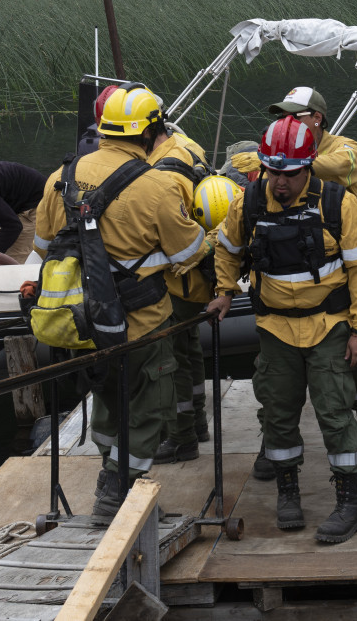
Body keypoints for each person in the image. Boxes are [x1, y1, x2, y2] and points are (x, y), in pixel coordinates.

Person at [33, 84, 209, 518]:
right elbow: (188, 254)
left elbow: (41, 245)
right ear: (150, 133)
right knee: (150, 407)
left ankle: (109, 470)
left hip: (83, 322)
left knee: (108, 400)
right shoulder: (157, 186)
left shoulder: (61, 178)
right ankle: (118, 487)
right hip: (142, 324)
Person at [207, 116, 357, 543]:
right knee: (278, 415)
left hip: (329, 326)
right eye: (272, 172)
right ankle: (288, 492)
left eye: (290, 174)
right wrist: (225, 291)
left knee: (336, 414)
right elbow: (227, 250)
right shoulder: (249, 203)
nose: (280, 183)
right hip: (275, 328)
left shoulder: (339, 204)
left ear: (309, 166)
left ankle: (349, 504)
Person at [265, 86, 357, 464]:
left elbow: (337, 167)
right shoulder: (281, 158)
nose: (285, 122)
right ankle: (274, 438)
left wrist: (285, 160)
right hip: (296, 267)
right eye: (281, 115)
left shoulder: (345, 146)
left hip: (344, 266)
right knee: (277, 381)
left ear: (316, 118)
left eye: (295, 115)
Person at [148, 119, 215, 465]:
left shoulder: (165, 176)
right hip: (196, 279)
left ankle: (182, 436)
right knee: (189, 348)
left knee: (174, 359)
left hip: (180, 278)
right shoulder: (187, 146)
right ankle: (198, 421)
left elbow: (174, 234)